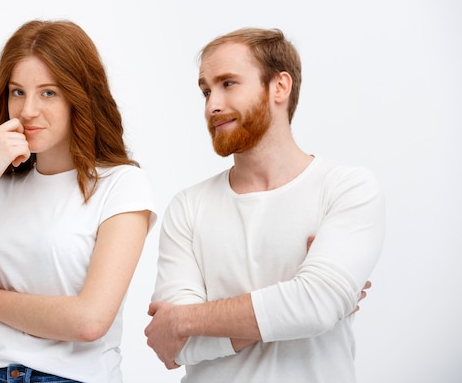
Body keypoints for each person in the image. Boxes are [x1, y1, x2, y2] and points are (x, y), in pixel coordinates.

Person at [144, 27, 385, 382]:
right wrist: (308, 303)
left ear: (279, 87)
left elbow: (316, 305)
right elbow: (177, 346)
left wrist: (186, 319)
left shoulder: (347, 188)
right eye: (206, 90)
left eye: (228, 84)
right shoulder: (188, 207)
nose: (212, 104)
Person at [0, 19, 156, 383]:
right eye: (17, 92)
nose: (28, 110)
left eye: (48, 93)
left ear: (79, 97)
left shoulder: (122, 185)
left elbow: (90, 320)